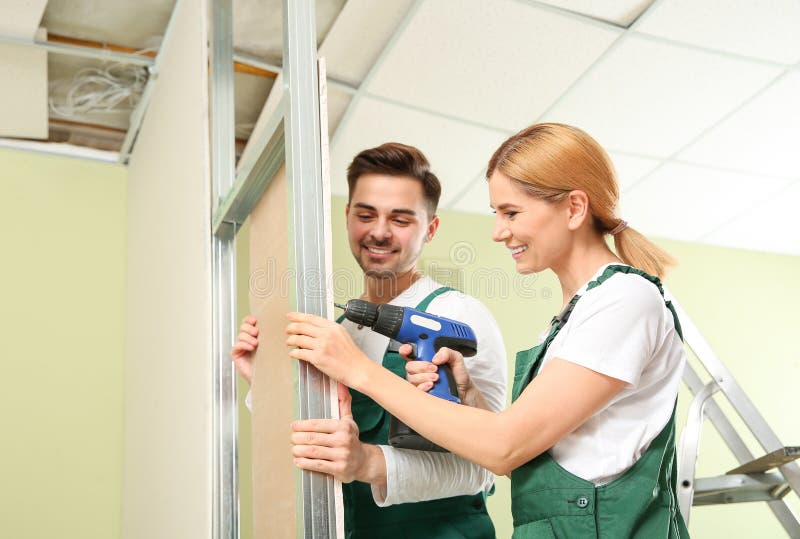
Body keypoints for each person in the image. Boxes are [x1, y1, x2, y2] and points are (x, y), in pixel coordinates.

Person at [285, 124, 690, 537]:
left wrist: (360, 372)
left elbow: (502, 450)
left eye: (511, 213)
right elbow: (531, 461)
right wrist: (470, 400)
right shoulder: (569, 320)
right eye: (497, 213)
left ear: (573, 208)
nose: (498, 231)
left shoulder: (624, 298)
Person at [232, 142, 507, 538]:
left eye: (400, 219)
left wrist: (366, 462)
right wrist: (264, 383)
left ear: (430, 229)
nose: (378, 232)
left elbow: (484, 465)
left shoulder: (459, 316)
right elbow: (313, 451)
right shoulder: (338, 331)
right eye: (366, 214)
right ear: (347, 217)